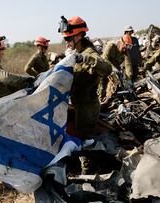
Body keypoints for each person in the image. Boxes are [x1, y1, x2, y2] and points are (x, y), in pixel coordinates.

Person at [58, 16, 111, 174]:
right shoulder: (77, 51)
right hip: (78, 104)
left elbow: (106, 69)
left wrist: (84, 58)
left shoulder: (88, 52)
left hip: (87, 106)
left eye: (68, 38)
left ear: (79, 36)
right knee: (79, 137)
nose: (66, 42)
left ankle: (89, 173)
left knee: (85, 141)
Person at [0, 34, 34, 102]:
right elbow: (7, 78)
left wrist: (25, 79)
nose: (3, 53)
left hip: (3, 104)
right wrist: (26, 81)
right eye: (1, 50)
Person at [99, 35, 133, 103]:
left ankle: (113, 100)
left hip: (115, 71)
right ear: (120, 43)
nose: (126, 49)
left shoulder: (125, 51)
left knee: (117, 85)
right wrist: (114, 69)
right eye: (125, 46)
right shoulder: (111, 45)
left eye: (129, 46)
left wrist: (129, 79)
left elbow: (128, 65)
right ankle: (100, 101)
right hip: (104, 68)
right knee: (102, 85)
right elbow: (105, 59)